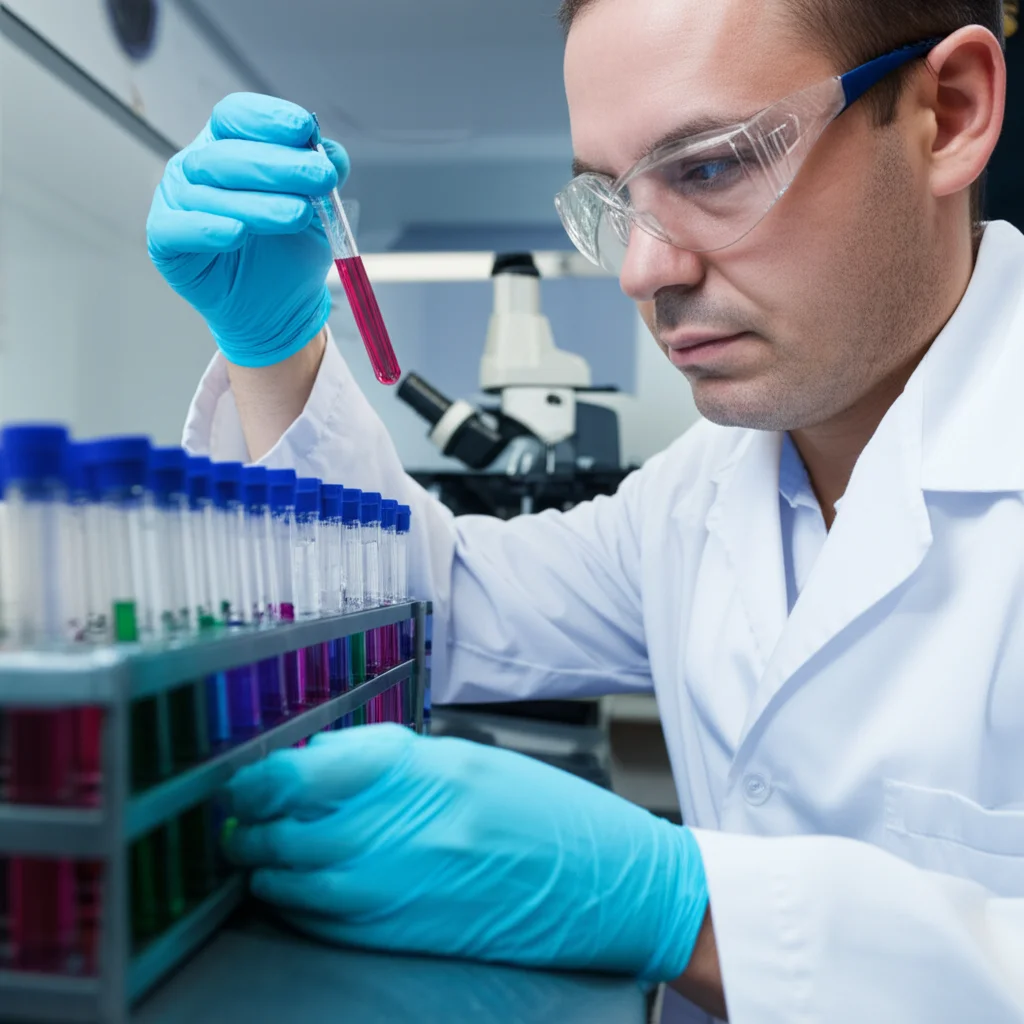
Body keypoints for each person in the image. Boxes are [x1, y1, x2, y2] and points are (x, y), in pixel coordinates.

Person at [147, 0, 1024, 1019]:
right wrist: (278, 347)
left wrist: (690, 913)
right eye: (612, 199)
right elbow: (428, 610)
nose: (643, 271)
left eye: (711, 167)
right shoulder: (698, 493)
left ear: (948, 113)